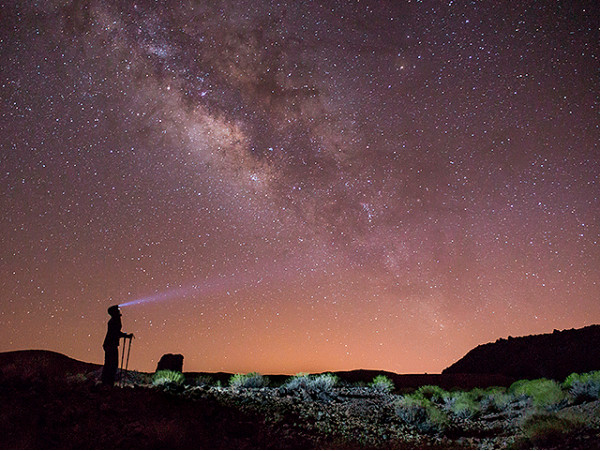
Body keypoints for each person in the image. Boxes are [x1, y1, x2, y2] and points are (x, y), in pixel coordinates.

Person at [101, 305, 134, 385]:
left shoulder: (114, 320)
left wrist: (125, 335)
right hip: (111, 345)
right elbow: (116, 332)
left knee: (110, 363)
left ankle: (107, 382)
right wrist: (126, 335)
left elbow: (116, 332)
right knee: (112, 363)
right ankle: (108, 383)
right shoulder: (115, 320)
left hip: (110, 344)